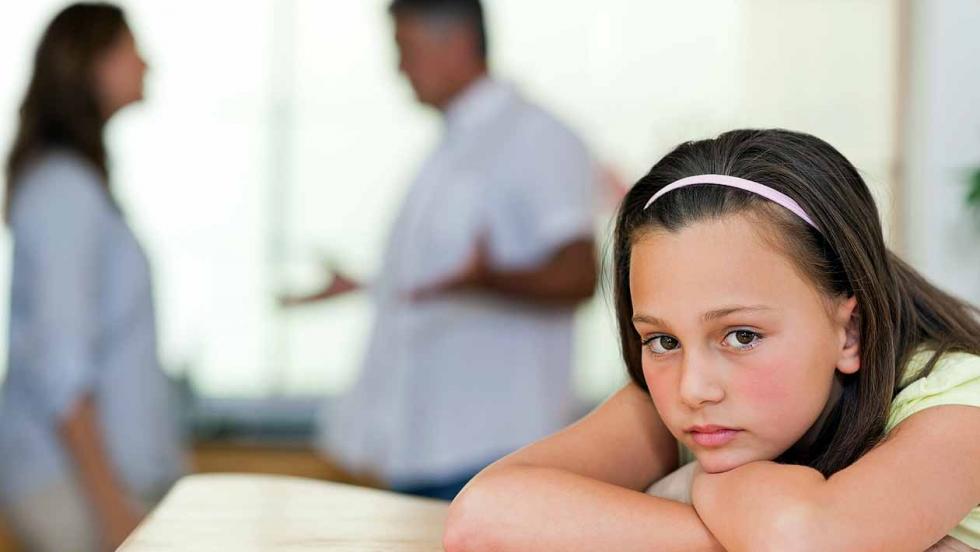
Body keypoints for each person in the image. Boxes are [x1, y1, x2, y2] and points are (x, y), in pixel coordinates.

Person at [443, 129, 980, 551]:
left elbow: (805, 540)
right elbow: (483, 519)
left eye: (741, 336)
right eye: (661, 340)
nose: (694, 388)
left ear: (849, 331)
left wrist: (697, 490)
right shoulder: (696, 399)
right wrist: (735, 530)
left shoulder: (961, 402)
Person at [287, 0, 597, 500]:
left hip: (491, 451)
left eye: (404, 48)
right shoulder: (454, 147)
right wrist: (371, 285)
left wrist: (487, 280)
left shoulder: (537, 138)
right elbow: (443, 278)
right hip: (424, 446)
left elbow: (579, 274)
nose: (399, 68)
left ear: (455, 44)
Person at [0, 4, 186, 551]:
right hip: (75, 490)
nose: (146, 62)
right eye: (131, 48)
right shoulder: (63, 192)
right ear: (92, 65)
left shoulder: (77, 187)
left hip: (99, 484)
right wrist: (111, 511)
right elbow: (63, 369)